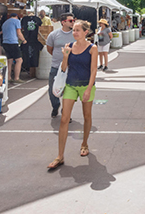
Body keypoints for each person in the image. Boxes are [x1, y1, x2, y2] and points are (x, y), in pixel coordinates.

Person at [48, 20, 98, 170]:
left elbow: (93, 70)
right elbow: (64, 68)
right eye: (73, 30)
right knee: (64, 119)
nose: (74, 33)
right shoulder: (69, 46)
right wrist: (65, 56)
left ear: (85, 32)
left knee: (87, 116)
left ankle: (84, 144)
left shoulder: (92, 48)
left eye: (77, 30)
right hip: (70, 85)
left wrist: (88, 89)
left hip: (86, 85)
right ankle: (60, 156)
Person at [45, 12, 76, 117]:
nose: (73, 22)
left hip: (71, 67)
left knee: (69, 91)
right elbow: (50, 49)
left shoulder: (75, 35)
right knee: (53, 89)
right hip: (56, 66)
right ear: (63, 22)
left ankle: (66, 111)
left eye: (74, 20)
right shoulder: (54, 35)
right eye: (70, 21)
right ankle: (55, 106)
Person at [1, 12, 26, 83]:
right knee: (19, 60)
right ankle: (16, 78)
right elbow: (19, 33)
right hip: (13, 42)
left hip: (5, 42)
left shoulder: (5, 23)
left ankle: (8, 77)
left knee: (9, 60)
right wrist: (24, 40)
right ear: (17, 17)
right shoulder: (16, 21)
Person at [20, 11, 43, 79]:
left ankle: (30, 72)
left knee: (28, 56)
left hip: (27, 40)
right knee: (34, 56)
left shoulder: (24, 19)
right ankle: (32, 73)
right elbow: (40, 25)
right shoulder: (37, 19)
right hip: (34, 40)